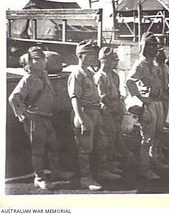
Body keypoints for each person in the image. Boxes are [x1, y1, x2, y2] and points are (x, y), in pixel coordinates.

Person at [8, 46, 73, 190]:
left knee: (53, 145)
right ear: (30, 62)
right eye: (37, 59)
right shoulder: (28, 79)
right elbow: (13, 98)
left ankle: (56, 172)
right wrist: (21, 114)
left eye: (43, 58)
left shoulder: (43, 74)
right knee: (38, 150)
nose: (42, 62)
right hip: (35, 119)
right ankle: (39, 177)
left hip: (46, 118)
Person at [67, 40, 119, 191]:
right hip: (84, 112)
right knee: (85, 148)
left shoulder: (90, 73)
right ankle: (85, 177)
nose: (92, 57)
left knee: (102, 143)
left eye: (93, 54)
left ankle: (102, 172)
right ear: (80, 55)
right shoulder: (77, 74)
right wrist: (82, 120)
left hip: (96, 112)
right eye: (89, 55)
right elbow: (74, 98)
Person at [125, 32, 168, 180]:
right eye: (151, 45)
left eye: (155, 45)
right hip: (147, 104)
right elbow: (129, 82)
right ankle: (145, 168)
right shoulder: (140, 64)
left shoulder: (153, 64)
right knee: (147, 138)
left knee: (158, 134)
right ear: (144, 47)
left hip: (157, 102)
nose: (155, 48)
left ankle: (154, 159)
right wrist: (140, 98)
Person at [95, 46, 134, 174]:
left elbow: (117, 93)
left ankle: (111, 162)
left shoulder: (115, 76)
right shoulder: (100, 77)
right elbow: (102, 98)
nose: (115, 62)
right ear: (104, 60)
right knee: (107, 139)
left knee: (115, 136)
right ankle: (105, 166)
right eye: (113, 60)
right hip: (106, 111)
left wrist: (119, 110)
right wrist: (112, 110)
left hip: (116, 109)